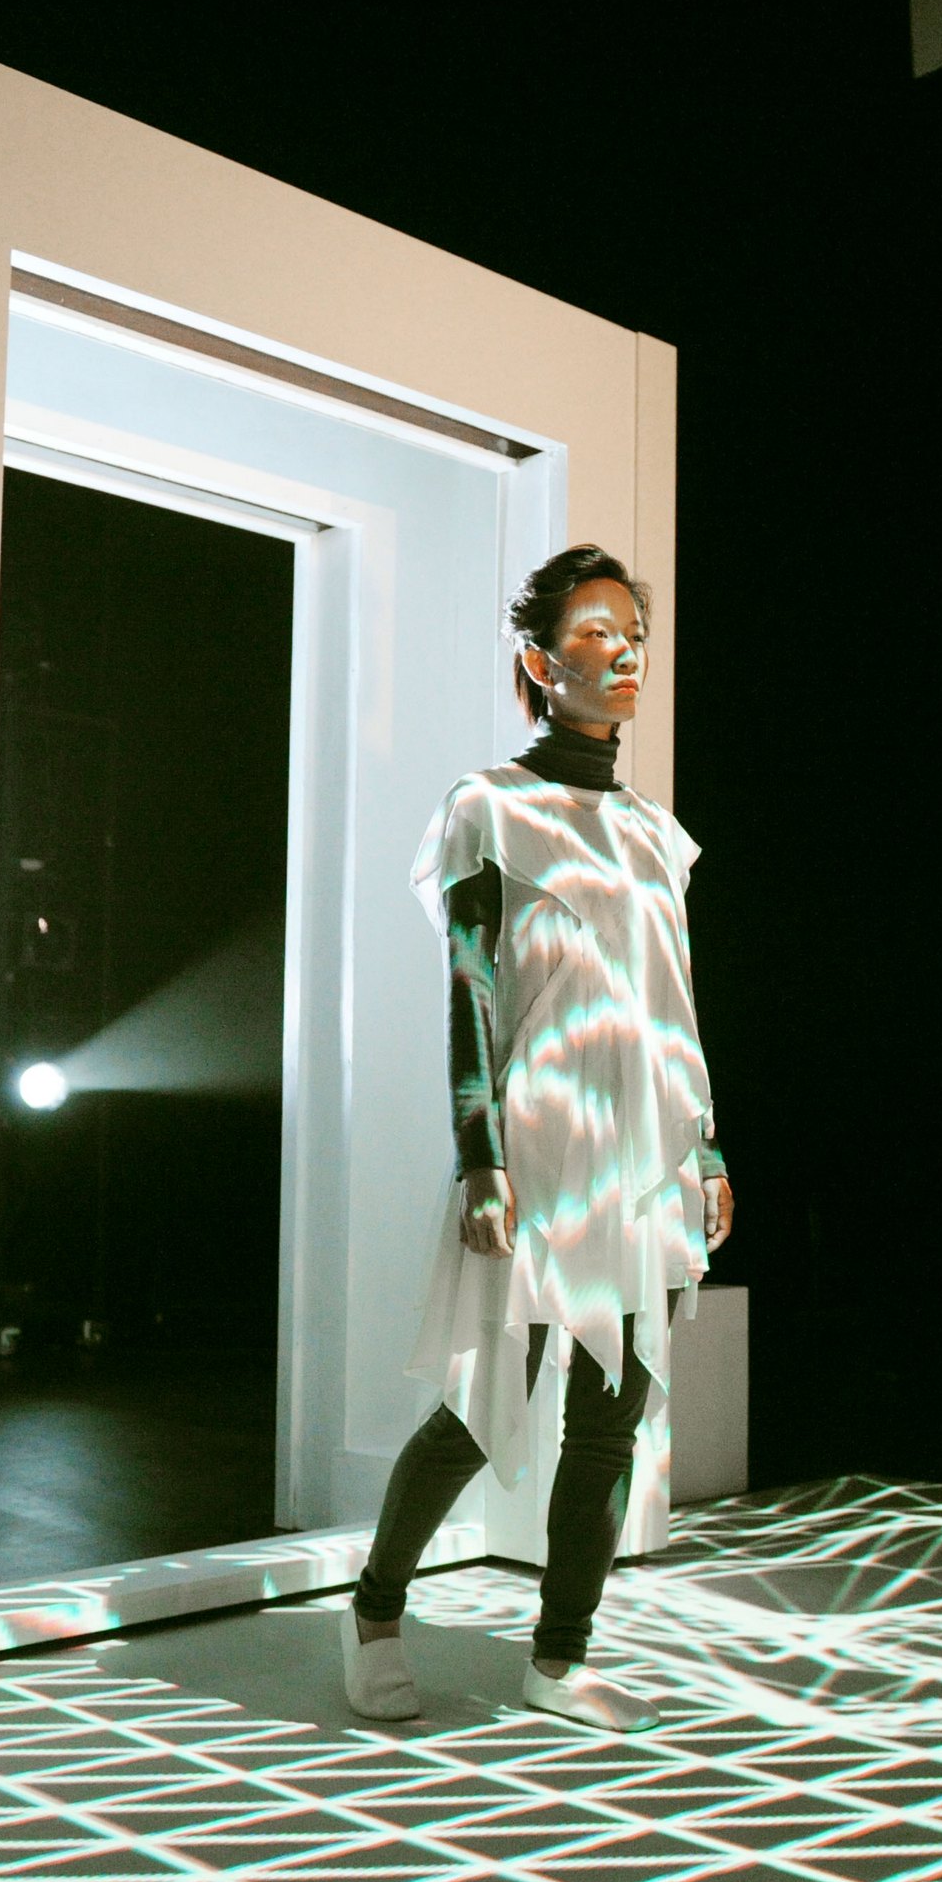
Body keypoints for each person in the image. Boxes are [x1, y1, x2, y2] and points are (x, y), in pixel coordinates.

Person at [339, 545, 733, 1733]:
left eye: (634, 635)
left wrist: (707, 1146)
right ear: (540, 659)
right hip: (537, 1147)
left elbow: (673, 1003)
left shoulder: (656, 834)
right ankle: (373, 1609)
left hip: (643, 1156)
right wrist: (480, 1155)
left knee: (610, 1422)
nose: (625, 654)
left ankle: (559, 1654)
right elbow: (469, 989)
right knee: (479, 1403)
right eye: (597, 632)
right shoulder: (490, 807)